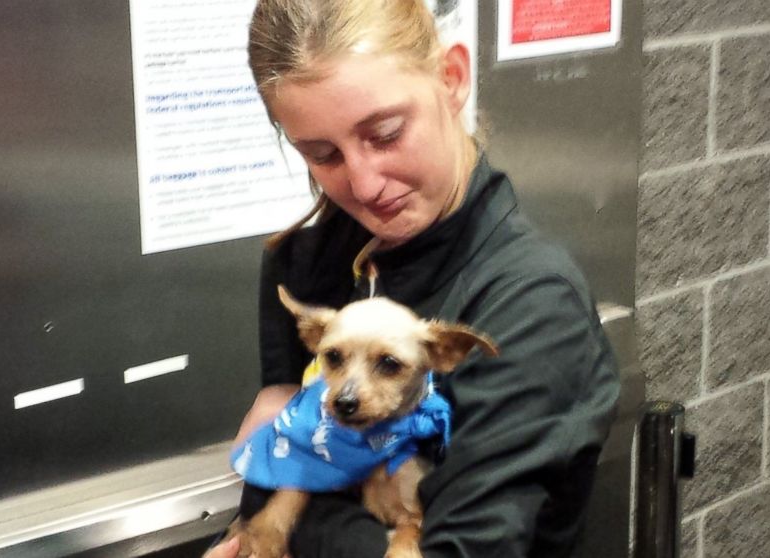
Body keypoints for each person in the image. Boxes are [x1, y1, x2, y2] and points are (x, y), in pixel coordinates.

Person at [206, 1, 620, 556]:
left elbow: (279, 484)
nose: (365, 183)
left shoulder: (533, 305)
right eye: (322, 154)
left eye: (385, 133)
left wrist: (278, 478)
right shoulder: (308, 262)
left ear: (451, 79)